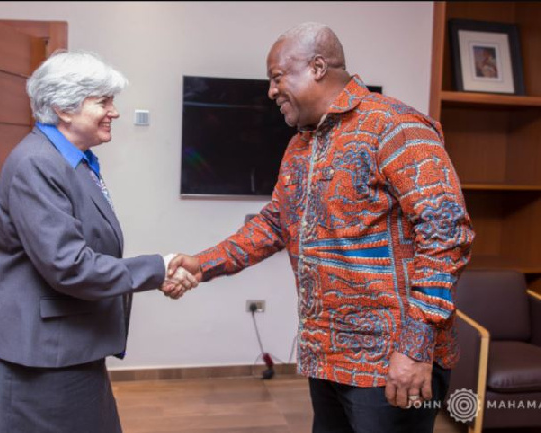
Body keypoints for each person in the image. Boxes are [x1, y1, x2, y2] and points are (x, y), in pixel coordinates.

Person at [166, 22, 475, 433]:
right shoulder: (301, 145)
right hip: (326, 356)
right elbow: (274, 224)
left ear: (316, 67)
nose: (271, 91)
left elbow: (446, 233)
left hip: (391, 363)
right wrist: (202, 264)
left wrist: (416, 347)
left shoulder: (396, 126)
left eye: (277, 78)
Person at [0, 50, 197, 433]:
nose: (114, 112)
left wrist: (159, 271)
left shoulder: (74, 160)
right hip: (37, 357)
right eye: (103, 102)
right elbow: (71, 266)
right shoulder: (37, 164)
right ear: (63, 108)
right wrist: (159, 268)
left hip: (69, 347)